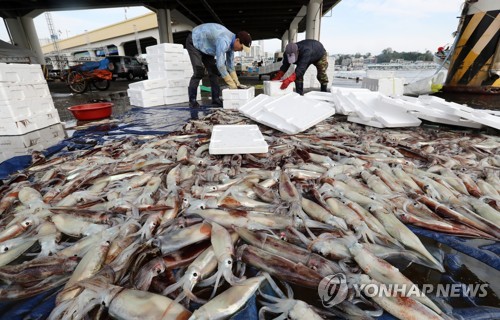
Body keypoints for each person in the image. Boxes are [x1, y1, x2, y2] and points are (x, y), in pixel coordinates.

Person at [186, 23, 252, 108]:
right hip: (194, 41)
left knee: (213, 72)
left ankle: (215, 100)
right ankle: (192, 101)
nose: (241, 50)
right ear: (237, 40)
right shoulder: (224, 40)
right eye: (242, 48)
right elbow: (220, 65)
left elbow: (230, 65)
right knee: (199, 72)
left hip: (207, 47)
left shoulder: (232, 46)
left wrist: (236, 82)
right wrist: (231, 83)